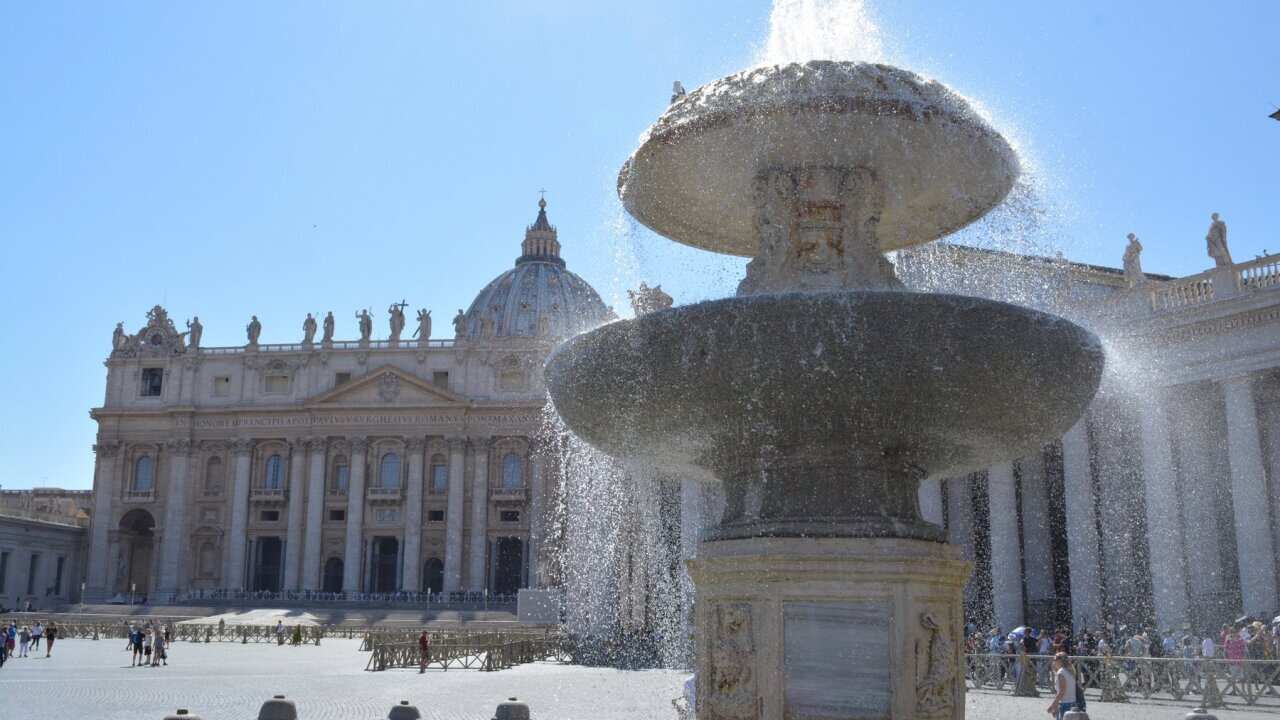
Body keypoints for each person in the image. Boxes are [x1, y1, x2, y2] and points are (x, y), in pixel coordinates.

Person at [1047, 652, 1077, 720]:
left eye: (1054, 659)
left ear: (1059, 661)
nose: (1053, 661)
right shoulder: (1070, 671)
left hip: (1064, 704)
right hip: (1072, 703)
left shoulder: (1061, 673)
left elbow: (1062, 691)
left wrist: (1053, 705)